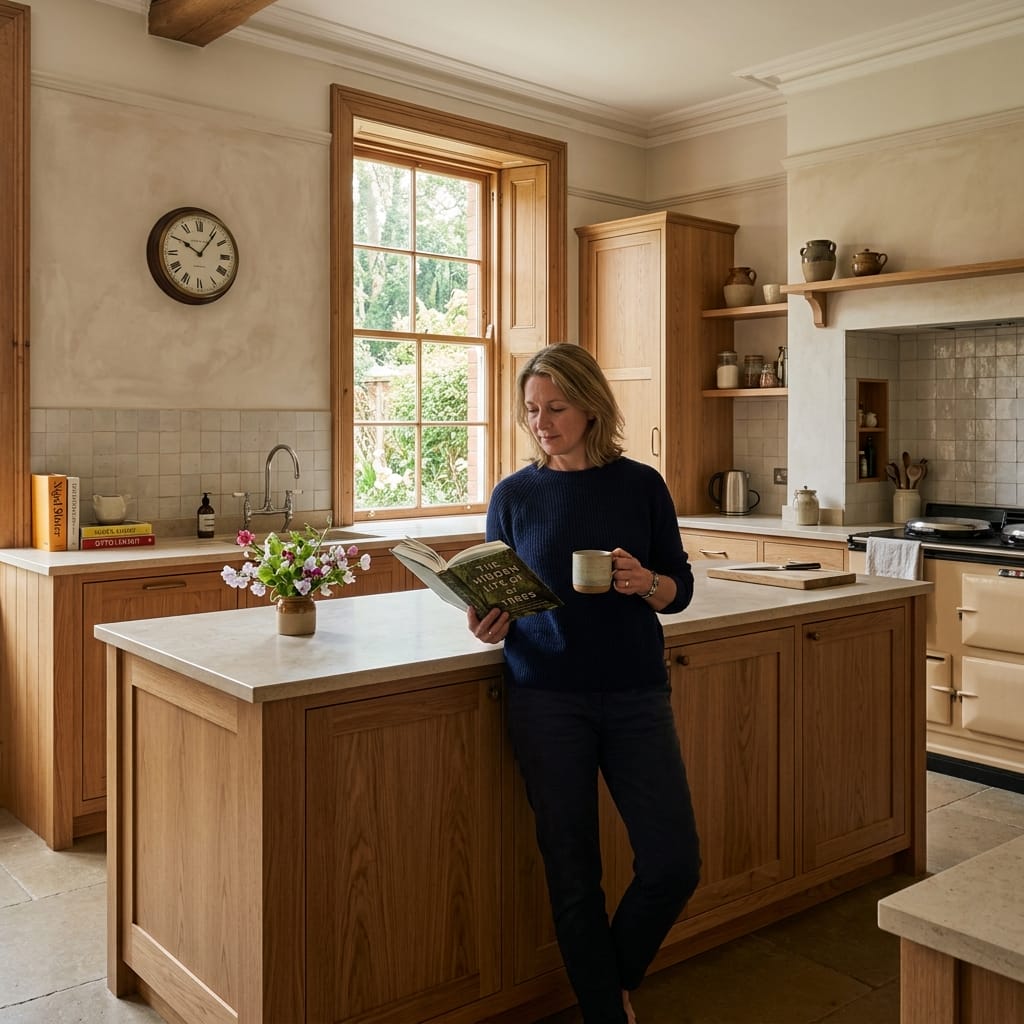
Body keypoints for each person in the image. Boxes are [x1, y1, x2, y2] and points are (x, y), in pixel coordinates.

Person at [467, 343, 701, 1024]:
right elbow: (501, 595)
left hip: (635, 694)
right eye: (532, 410)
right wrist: (488, 622)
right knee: (573, 876)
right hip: (544, 698)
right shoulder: (513, 495)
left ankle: (611, 982)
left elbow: (677, 588)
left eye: (556, 408)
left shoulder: (640, 485)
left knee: (673, 863)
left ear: (591, 406)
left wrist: (644, 583)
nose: (541, 421)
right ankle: (607, 1011)